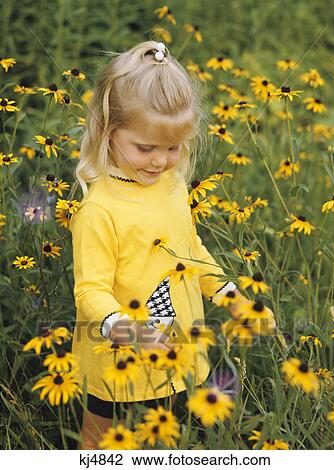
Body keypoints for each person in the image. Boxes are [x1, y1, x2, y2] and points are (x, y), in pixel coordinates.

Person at [68, 40, 253, 450]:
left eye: (173, 149)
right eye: (146, 148)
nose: (159, 161)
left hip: (177, 347)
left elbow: (192, 250)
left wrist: (230, 294)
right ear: (107, 132)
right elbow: (90, 291)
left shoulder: (171, 185)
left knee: (165, 434)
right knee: (101, 437)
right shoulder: (99, 209)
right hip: (117, 354)